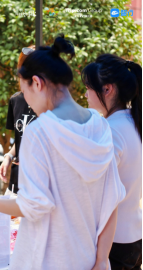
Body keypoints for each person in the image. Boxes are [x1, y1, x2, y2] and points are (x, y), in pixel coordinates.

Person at [0, 35, 126, 270]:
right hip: (87, 258)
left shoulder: (39, 132)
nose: (26, 99)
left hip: (47, 259)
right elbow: (112, 202)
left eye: (25, 91)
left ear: (37, 83)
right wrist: (101, 260)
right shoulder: (100, 126)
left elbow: (34, 205)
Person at [83, 55, 142, 270]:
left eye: (89, 87)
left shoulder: (110, 129)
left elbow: (96, 192)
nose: (86, 94)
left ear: (107, 90)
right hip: (134, 234)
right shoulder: (132, 122)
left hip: (114, 243)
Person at [0, 45, 37, 194]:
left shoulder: (51, 104)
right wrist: (8, 156)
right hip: (16, 182)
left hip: (40, 184)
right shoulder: (16, 100)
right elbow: (20, 137)